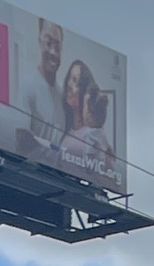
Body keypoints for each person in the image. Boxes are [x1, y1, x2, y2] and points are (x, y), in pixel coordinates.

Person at [56, 55, 117, 183]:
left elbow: (108, 175)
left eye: (76, 82)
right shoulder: (64, 127)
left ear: (85, 93)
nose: (69, 85)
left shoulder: (93, 134)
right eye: (70, 79)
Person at [16, 20, 66, 154]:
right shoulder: (27, 86)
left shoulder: (62, 95)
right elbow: (20, 138)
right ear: (39, 41)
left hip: (55, 174)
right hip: (27, 170)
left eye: (58, 46)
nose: (53, 52)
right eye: (48, 43)